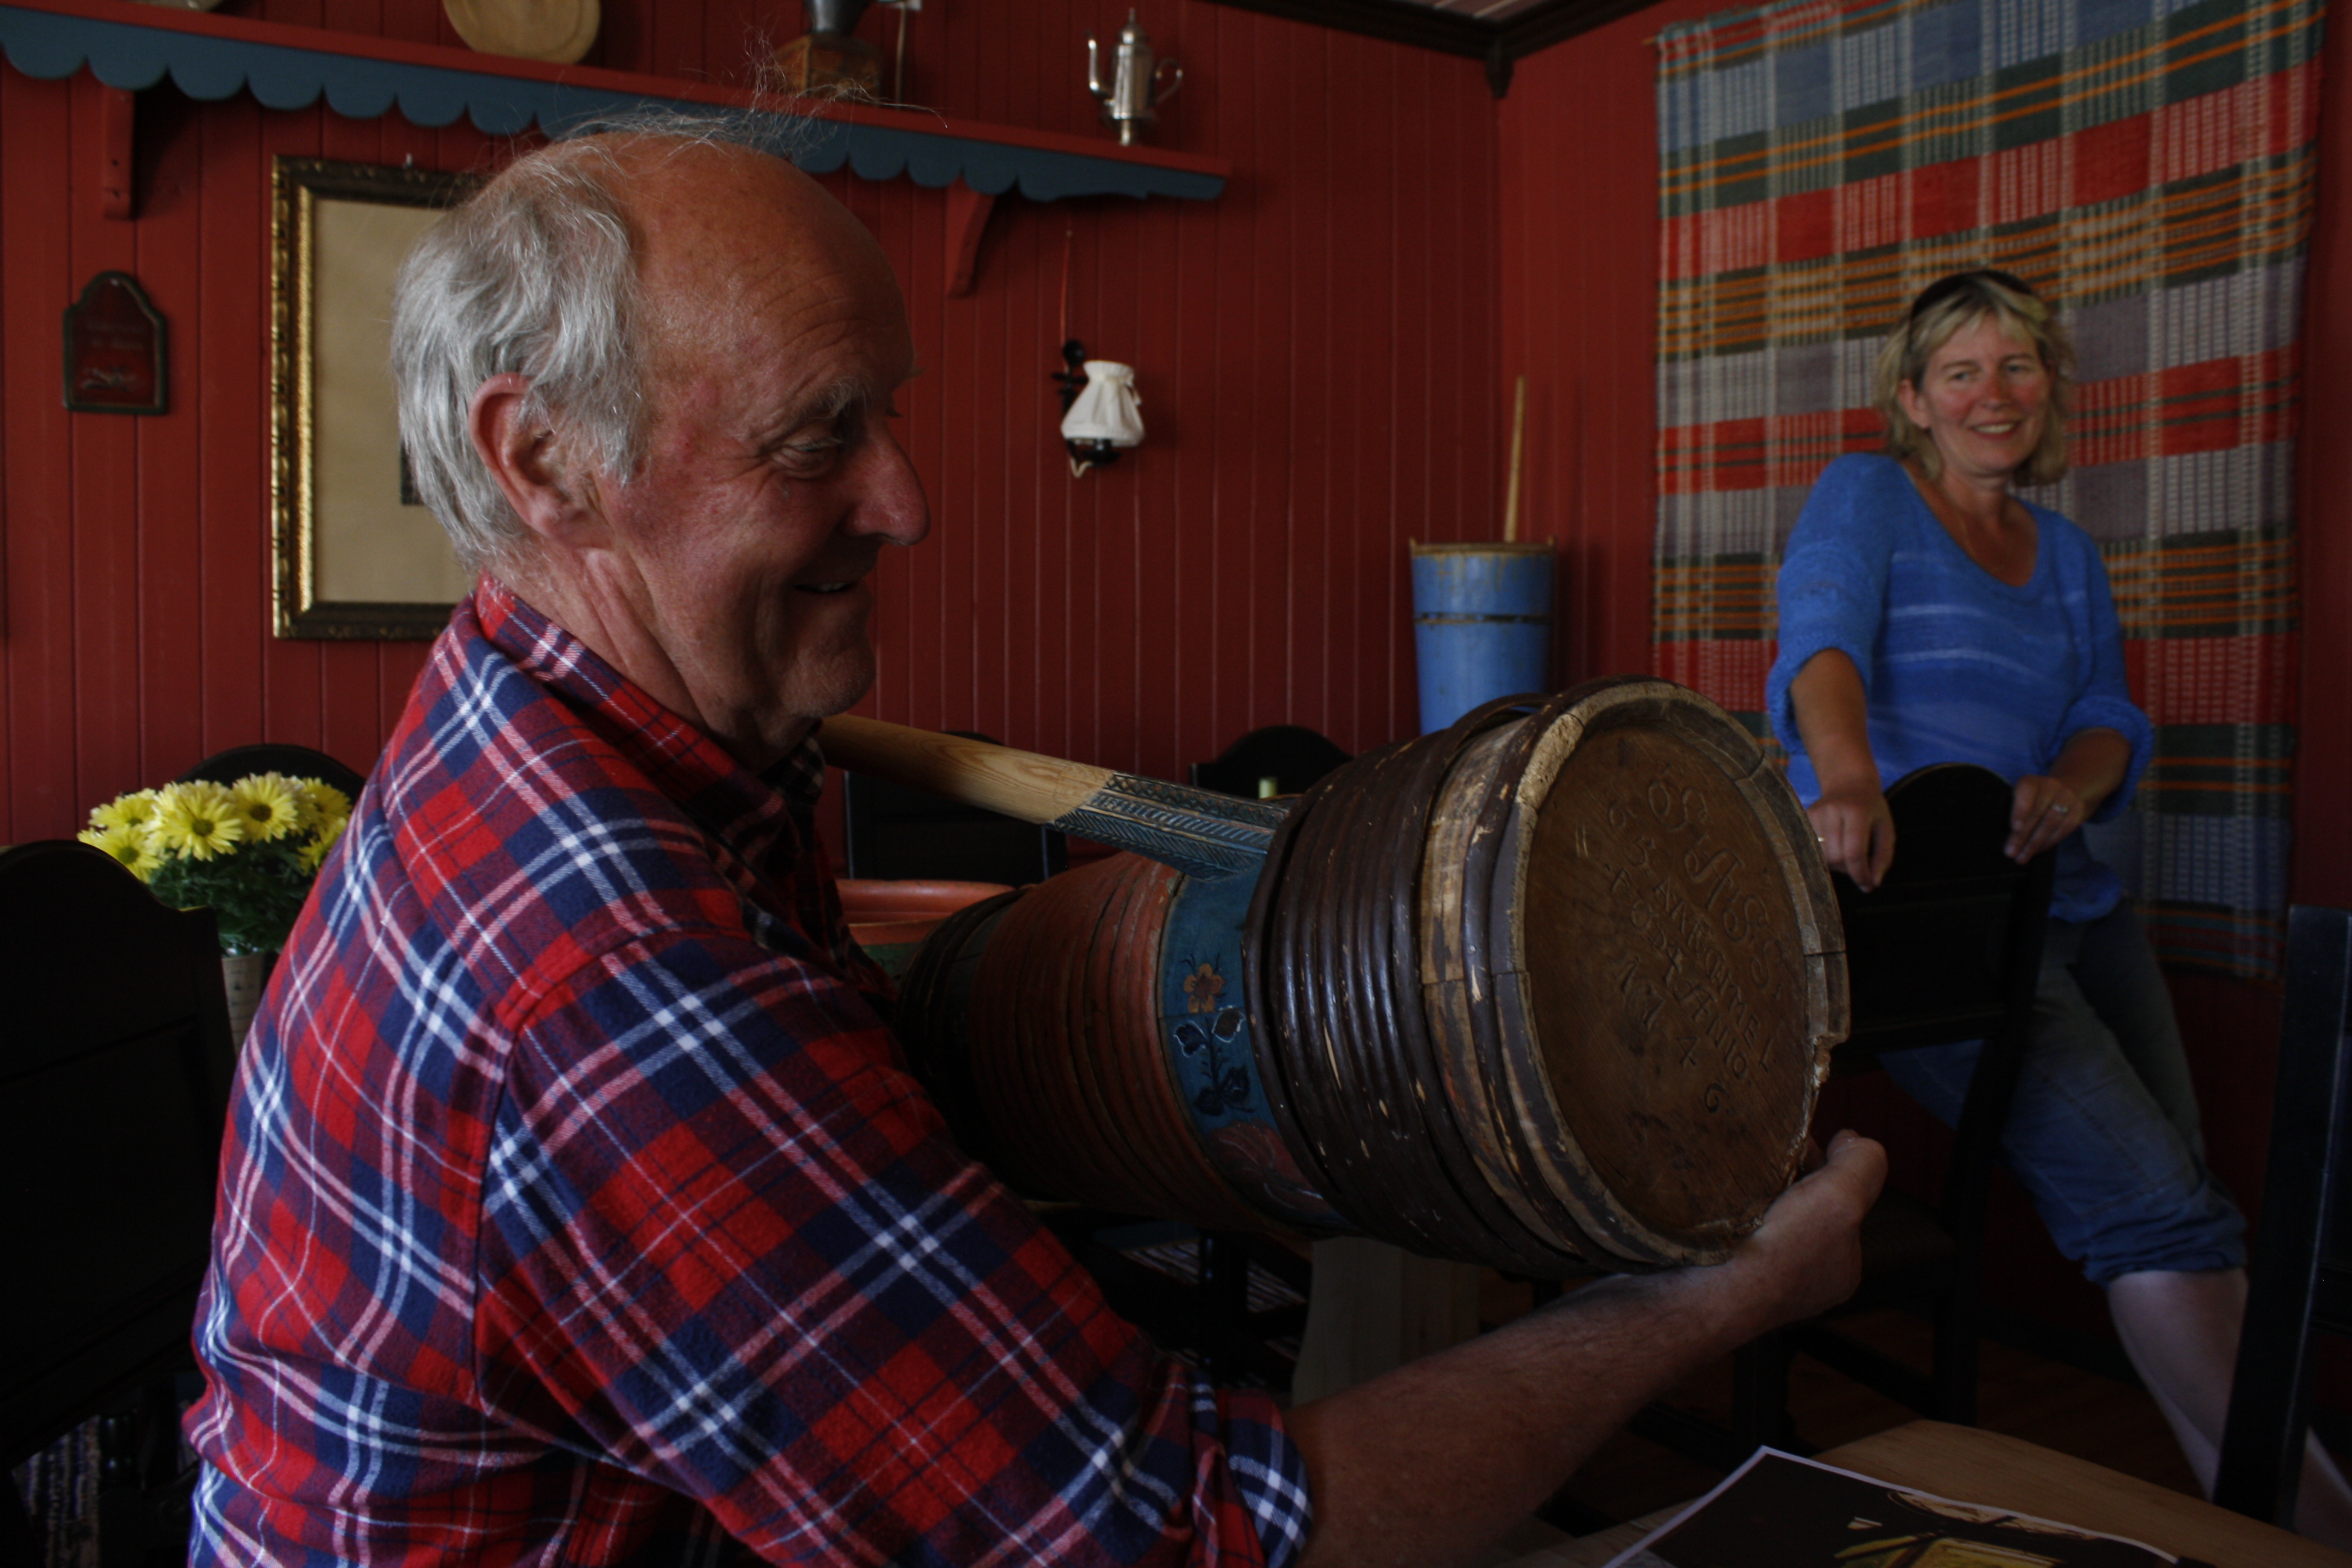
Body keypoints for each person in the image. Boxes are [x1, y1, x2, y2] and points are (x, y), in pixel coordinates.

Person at [185, 116, 1884, 1568]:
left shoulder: (562, 723)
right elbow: (1198, 1543)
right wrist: (1702, 1302)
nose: (907, 501)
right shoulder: (607, 976)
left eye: (890, 414)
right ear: (540, 459)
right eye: (817, 435)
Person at [1767, 268, 2352, 1547]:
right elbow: (1819, 640)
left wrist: (2075, 788)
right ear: (1913, 399)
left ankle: (2252, 1519)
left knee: (2183, 1196)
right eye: (1962, 372)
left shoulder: (2069, 552)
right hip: (1929, 916)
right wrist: (1851, 777)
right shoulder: (1868, 493)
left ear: (2049, 392)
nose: (1995, 393)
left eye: (2018, 367)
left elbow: (2109, 714)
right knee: (2157, 1207)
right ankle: (2321, 1532)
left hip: (2074, 904)